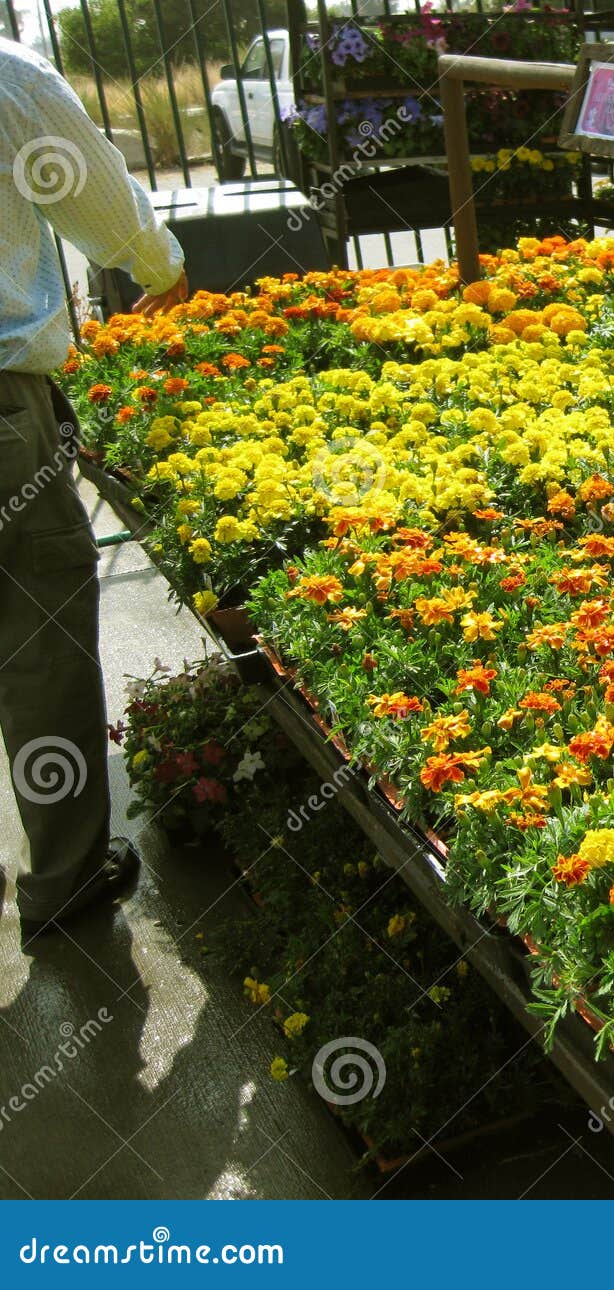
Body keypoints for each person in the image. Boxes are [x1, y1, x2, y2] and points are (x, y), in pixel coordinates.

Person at [1, 37, 187, 939]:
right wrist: (161, 269)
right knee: (38, 649)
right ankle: (66, 877)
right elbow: (108, 215)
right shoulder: (7, 74)